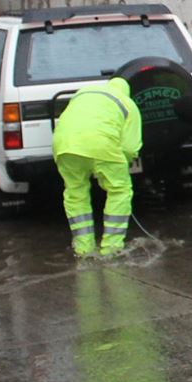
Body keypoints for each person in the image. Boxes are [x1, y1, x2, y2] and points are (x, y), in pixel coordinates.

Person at [51, 63, 144, 257]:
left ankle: (83, 249)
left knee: (75, 193)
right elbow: (129, 147)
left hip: (64, 145)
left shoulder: (84, 93)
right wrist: (123, 163)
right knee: (119, 190)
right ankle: (111, 248)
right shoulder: (128, 104)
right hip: (102, 145)